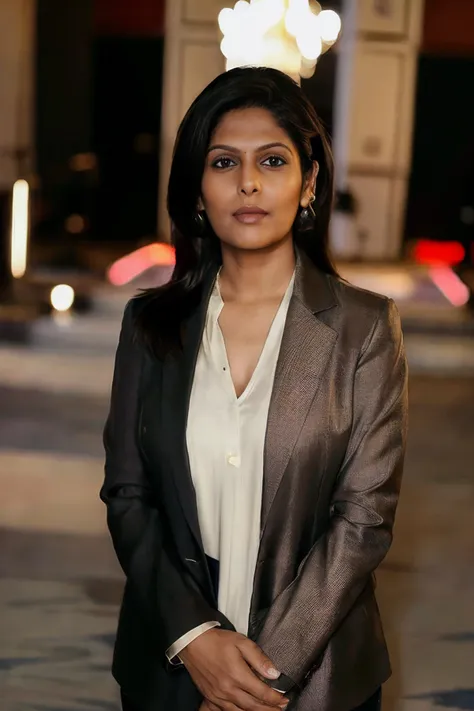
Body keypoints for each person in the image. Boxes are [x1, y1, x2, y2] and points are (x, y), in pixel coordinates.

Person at [101, 66, 408, 711]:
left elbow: (363, 521)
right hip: (171, 672)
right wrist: (196, 640)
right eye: (223, 162)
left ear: (309, 183)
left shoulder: (364, 329)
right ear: (196, 190)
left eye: (272, 160)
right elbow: (129, 497)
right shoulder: (150, 328)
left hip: (319, 679)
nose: (248, 182)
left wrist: (257, 678)